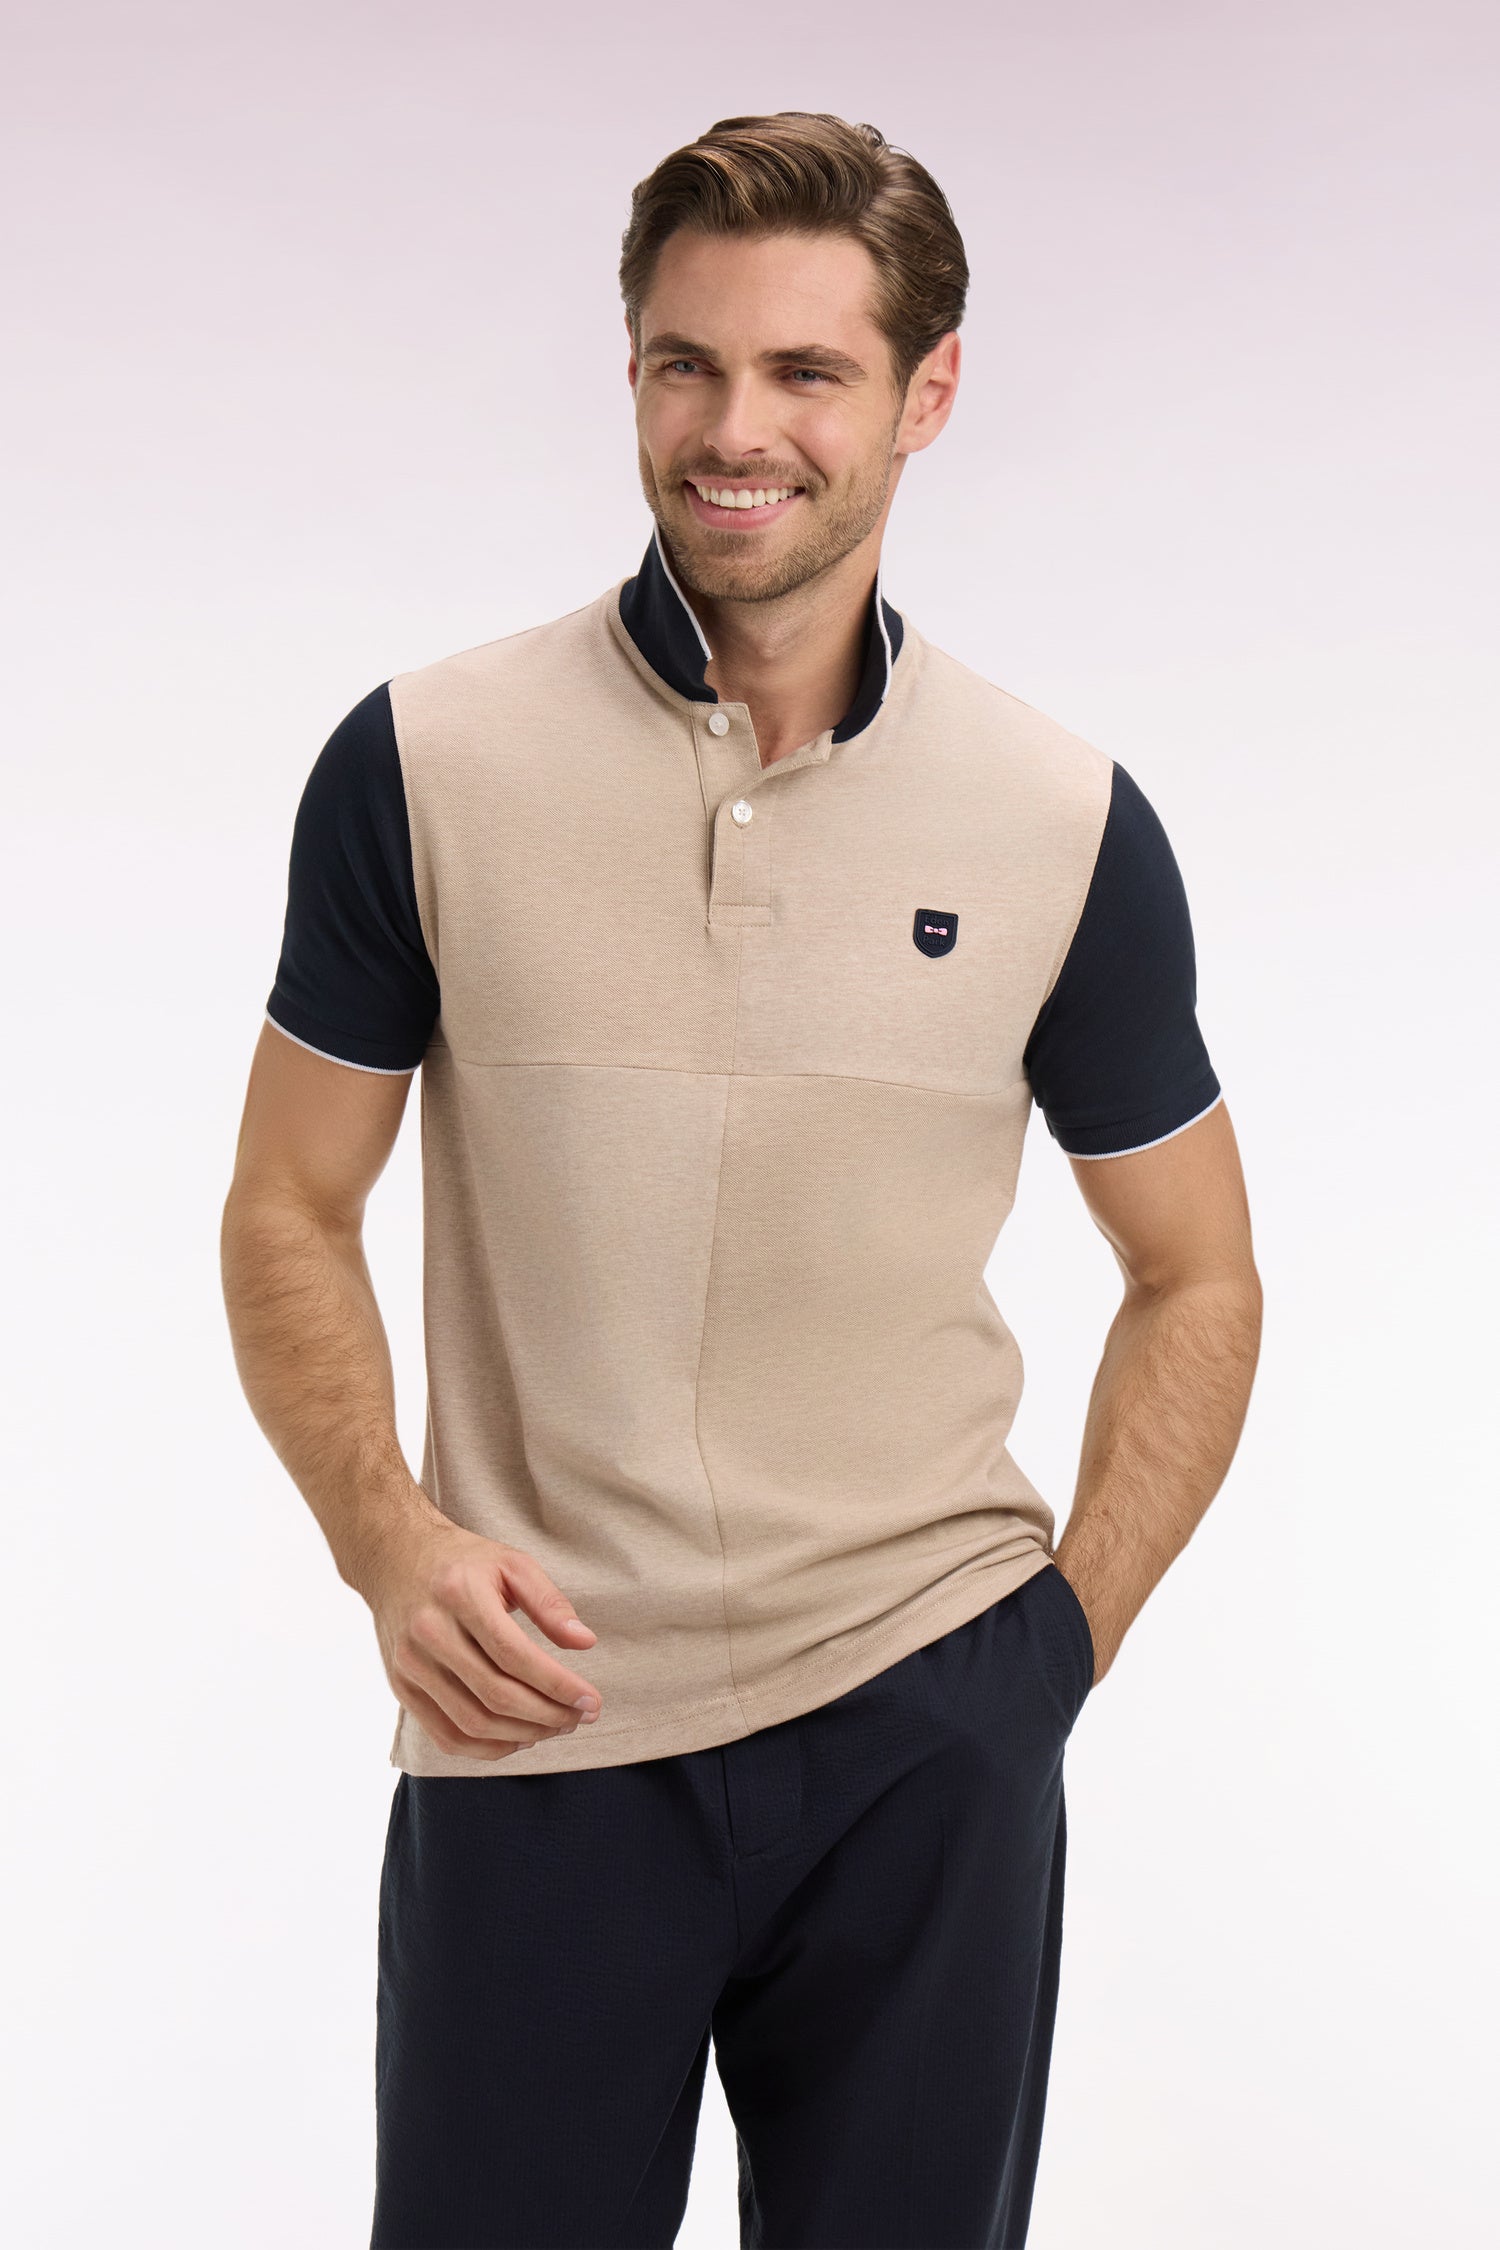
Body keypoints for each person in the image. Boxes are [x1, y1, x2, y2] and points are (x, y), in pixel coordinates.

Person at [221, 109, 1262, 2250]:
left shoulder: (1062, 820)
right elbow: (285, 1207)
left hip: (926, 1732)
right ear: (629, 372)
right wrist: (387, 1542)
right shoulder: (424, 763)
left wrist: (1052, 1653)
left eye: (806, 372)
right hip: (540, 1717)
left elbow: (1199, 1271)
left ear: (926, 393)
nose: (734, 432)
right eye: (686, 363)